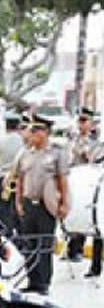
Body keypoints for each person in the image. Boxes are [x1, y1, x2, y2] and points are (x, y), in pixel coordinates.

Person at [12, 112, 71, 294]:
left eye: (37, 130)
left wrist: (63, 203)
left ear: (46, 132)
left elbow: (62, 180)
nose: (33, 134)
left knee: (44, 245)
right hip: (29, 203)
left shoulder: (56, 153)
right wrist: (19, 202)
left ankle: (43, 282)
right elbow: (20, 180)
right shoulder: (25, 154)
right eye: (32, 130)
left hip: (47, 205)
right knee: (29, 244)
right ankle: (32, 281)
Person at [66, 107, 102, 271]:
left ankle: (95, 265)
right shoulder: (72, 139)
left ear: (91, 123)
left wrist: (85, 150)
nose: (81, 124)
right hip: (75, 184)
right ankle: (74, 249)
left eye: (84, 121)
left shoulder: (96, 142)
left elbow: (94, 160)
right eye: (79, 121)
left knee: (96, 221)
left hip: (91, 185)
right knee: (75, 216)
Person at [0, 113, 25, 236]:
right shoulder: (24, 142)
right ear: (19, 126)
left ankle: (6, 239)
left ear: (6, 126)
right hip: (19, 183)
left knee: (3, 216)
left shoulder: (0, 142)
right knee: (19, 217)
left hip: (3, 182)